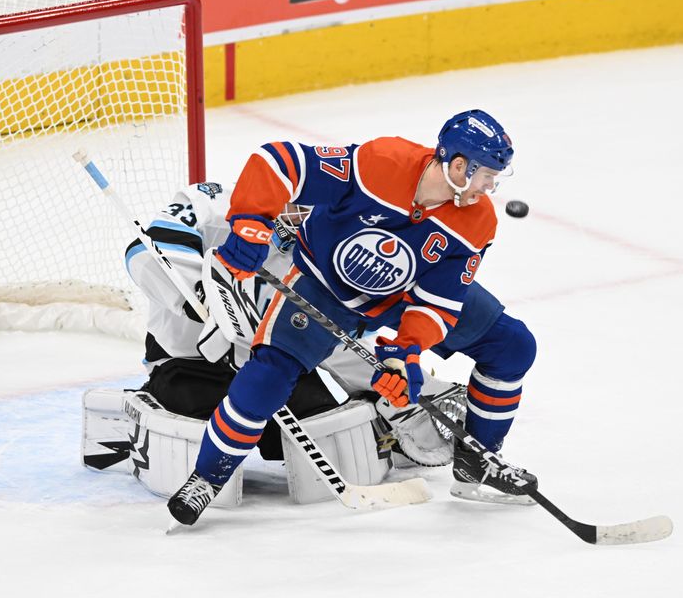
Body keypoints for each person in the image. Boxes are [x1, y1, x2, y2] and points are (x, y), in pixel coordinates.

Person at [168, 109, 538, 527]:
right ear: (458, 166)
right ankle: (206, 478)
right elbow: (281, 161)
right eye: (487, 174)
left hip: (402, 295)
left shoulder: (477, 221)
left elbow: (437, 303)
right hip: (321, 287)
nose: (491, 186)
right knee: (266, 378)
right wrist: (252, 224)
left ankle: (477, 463)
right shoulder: (381, 163)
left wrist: (405, 355)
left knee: (513, 346)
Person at [81, 180, 461, 487]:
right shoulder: (214, 201)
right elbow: (147, 247)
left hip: (267, 367)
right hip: (187, 362)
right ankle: (129, 415)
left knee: (330, 431)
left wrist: (391, 383)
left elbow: (330, 339)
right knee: (188, 432)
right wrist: (201, 297)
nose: (301, 220)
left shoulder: (319, 254)